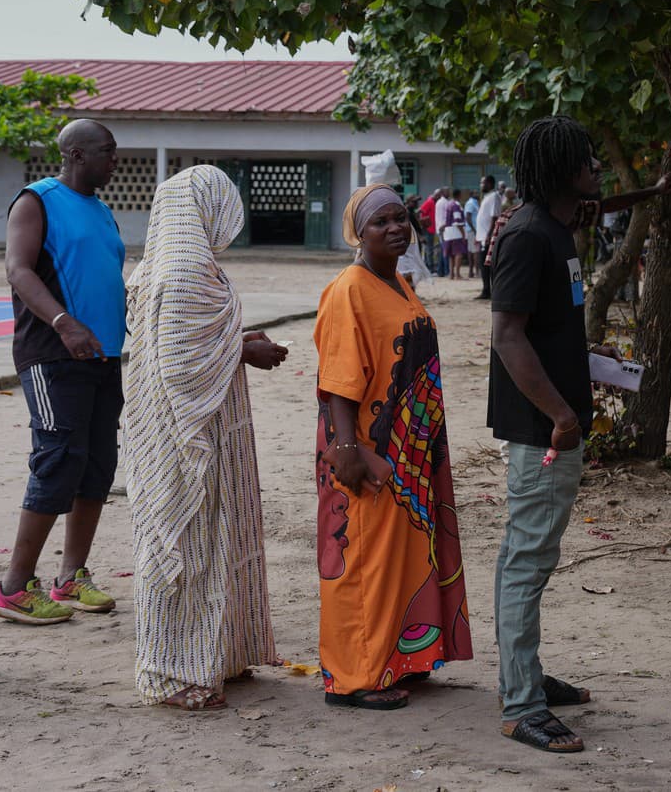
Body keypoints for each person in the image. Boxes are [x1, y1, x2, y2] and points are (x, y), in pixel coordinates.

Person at [124, 166, 288, 711]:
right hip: (186, 429)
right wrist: (241, 350)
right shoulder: (186, 270)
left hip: (195, 421)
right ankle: (170, 673)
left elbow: (187, 340)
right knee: (189, 542)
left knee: (216, 539)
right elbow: (179, 366)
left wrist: (232, 338)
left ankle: (217, 655)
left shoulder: (164, 265)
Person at [313, 183, 473, 709]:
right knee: (365, 560)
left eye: (400, 217)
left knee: (402, 556)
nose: (395, 228)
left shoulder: (398, 281)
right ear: (358, 233)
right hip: (366, 447)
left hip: (411, 448)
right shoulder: (349, 289)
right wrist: (347, 449)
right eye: (380, 222)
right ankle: (355, 676)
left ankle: (399, 659)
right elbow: (338, 380)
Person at [489, 116, 615, 754]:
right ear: (563, 169)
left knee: (527, 556)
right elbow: (507, 335)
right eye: (588, 159)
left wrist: (586, 365)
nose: (598, 167)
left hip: (557, 422)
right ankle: (521, 706)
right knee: (527, 560)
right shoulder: (528, 235)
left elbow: (543, 329)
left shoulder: (556, 230)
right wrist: (562, 416)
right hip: (543, 430)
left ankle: (525, 677)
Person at [0, 119, 126, 626]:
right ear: (75, 154)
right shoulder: (37, 200)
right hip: (53, 353)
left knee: (97, 465)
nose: (115, 160)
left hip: (103, 356)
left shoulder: (103, 211)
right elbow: (18, 269)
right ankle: (13, 587)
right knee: (58, 458)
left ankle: (71, 577)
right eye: (106, 151)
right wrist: (65, 323)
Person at [475, 175, 504, 299]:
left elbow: (495, 217)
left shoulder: (494, 196)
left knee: (488, 265)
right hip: (482, 237)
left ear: (490, 184)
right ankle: (486, 289)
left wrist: (489, 235)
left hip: (488, 237)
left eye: (483, 183)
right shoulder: (487, 197)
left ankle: (488, 290)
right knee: (483, 265)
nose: (481, 185)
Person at [438, 188, 468, 279]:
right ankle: (457, 274)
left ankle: (451, 274)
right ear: (459, 195)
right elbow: (457, 220)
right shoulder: (456, 205)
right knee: (458, 253)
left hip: (448, 232)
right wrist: (463, 234)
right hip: (456, 232)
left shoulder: (449, 204)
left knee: (451, 254)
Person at [464, 188, 481, 278]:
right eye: (475, 193)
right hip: (472, 230)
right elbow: (468, 217)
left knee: (472, 251)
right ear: (471, 194)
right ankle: (476, 272)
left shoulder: (475, 202)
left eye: (477, 192)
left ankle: (472, 272)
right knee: (475, 251)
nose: (477, 194)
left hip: (474, 230)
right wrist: (474, 230)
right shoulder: (471, 203)